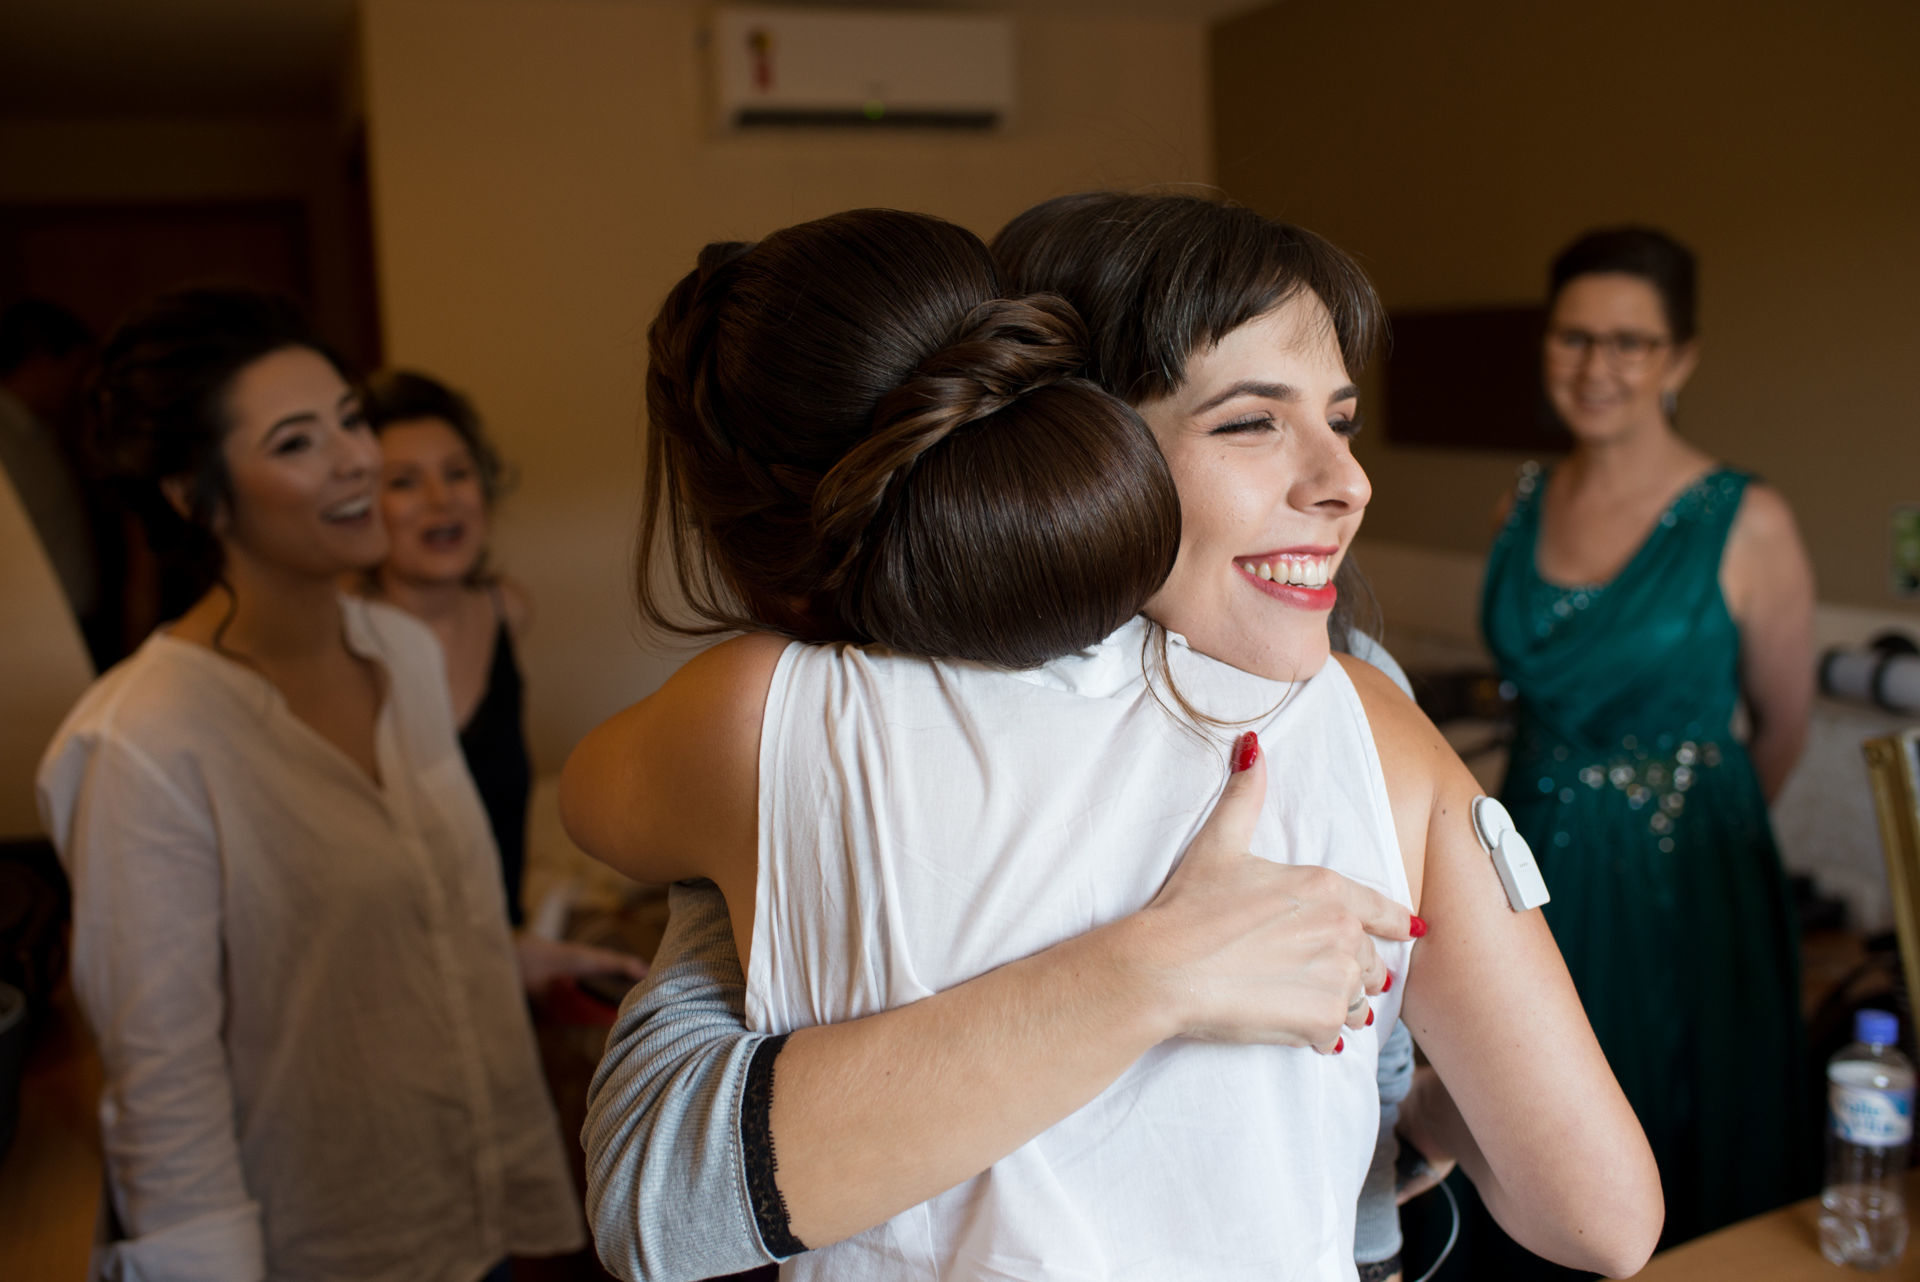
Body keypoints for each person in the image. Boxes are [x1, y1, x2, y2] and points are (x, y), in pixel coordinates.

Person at [566, 205, 1662, 1279]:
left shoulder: (774, 716)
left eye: (1342, 420)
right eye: (1249, 422)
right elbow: (1602, 1216)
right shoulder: (1368, 719)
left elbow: (595, 807)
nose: (1348, 483)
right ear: (1080, 439)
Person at [37, 287, 586, 1282]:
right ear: (193, 493)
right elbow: (164, 1080)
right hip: (320, 1240)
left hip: (467, 1207)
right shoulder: (145, 741)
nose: (355, 460)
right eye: (296, 441)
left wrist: (521, 955)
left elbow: (399, 924)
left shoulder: (400, 652)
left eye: (348, 420)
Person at [1470, 225, 1817, 1269]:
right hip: (1534, 860)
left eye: (1630, 341)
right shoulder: (1521, 500)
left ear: (1681, 358)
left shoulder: (1747, 519)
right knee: (1534, 1125)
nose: (1597, 366)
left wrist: (1674, 822)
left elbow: (1784, 723)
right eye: (1574, 337)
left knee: (1680, 1120)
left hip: (1689, 877)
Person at [361, 369, 536, 925]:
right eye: (404, 482)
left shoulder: (508, 610)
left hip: (506, 947)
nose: (441, 500)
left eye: (457, 473)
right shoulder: (339, 642)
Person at [0, 297, 103, 661]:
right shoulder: (6, 439)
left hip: (71, 622)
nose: (78, 386)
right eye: (75, 370)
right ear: (43, 363)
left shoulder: (38, 429)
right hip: (33, 636)